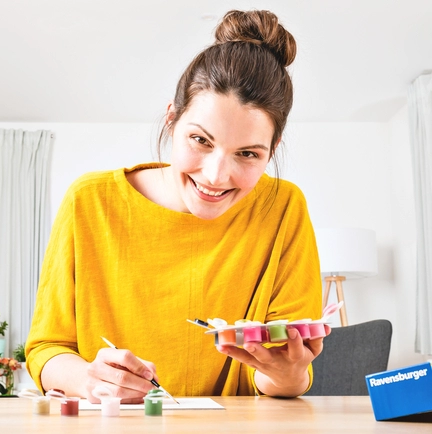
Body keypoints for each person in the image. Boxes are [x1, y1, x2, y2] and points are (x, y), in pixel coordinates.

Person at [26, 9, 324, 402]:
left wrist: (287, 374)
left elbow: (280, 378)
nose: (216, 175)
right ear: (172, 119)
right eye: (201, 140)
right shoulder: (90, 202)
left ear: (272, 151)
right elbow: (46, 349)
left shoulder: (284, 208)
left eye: (248, 154)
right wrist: (89, 380)